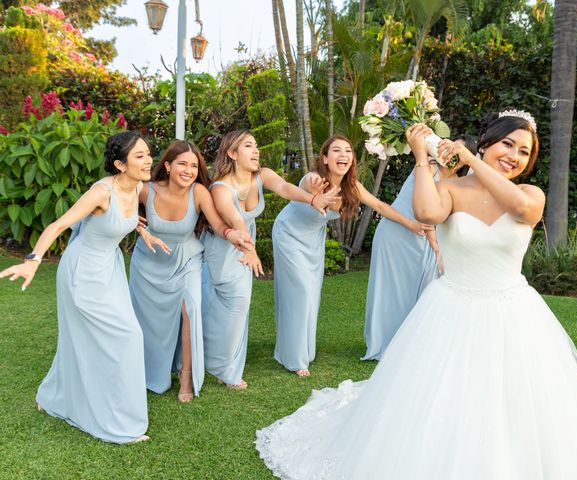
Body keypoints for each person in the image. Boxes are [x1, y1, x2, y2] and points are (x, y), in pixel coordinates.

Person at [255, 112, 577, 479]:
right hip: (452, 307)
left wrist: (471, 158)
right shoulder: (451, 189)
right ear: (488, 141)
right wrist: (421, 158)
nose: (514, 155)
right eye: (507, 144)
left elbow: (524, 212)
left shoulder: (528, 194)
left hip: (514, 312)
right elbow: (426, 211)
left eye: (524, 151)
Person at [0, 131, 168, 443]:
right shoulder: (102, 192)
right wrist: (32, 260)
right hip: (83, 273)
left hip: (110, 270)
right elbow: (59, 225)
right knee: (126, 337)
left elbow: (124, 220)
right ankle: (119, 422)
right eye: (140, 156)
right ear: (120, 164)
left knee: (107, 337)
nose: (148, 161)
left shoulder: (140, 187)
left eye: (148, 153)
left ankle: (54, 397)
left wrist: (143, 232)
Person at [273, 135, 432, 377]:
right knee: (300, 291)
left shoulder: (353, 187)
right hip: (288, 234)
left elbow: (380, 206)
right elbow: (304, 188)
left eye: (348, 151)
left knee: (310, 294)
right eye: (336, 151)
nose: (344, 155)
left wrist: (411, 224)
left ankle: (303, 348)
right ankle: (294, 358)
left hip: (313, 241)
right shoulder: (314, 179)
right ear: (325, 159)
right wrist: (315, 194)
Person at [201, 129, 338, 390]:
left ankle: (224, 366)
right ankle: (219, 363)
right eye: (248, 146)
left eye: (256, 145)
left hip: (244, 243)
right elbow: (235, 219)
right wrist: (249, 250)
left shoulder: (261, 175)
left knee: (240, 305)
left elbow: (285, 188)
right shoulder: (220, 187)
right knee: (227, 305)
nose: (256, 151)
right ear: (232, 153)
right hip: (224, 248)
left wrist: (313, 199)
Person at [129, 140, 253, 403]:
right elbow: (118, 204)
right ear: (167, 165)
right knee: (148, 321)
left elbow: (218, 224)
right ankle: (144, 369)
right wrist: (138, 227)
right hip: (148, 264)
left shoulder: (198, 192)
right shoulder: (146, 190)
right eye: (182, 164)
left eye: (194, 165)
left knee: (190, 310)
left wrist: (233, 235)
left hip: (187, 261)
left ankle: (187, 375)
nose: (189, 170)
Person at [362, 134, 477, 361]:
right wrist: (435, 245)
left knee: (421, 291)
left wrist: (439, 246)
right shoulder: (428, 166)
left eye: (457, 151)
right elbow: (423, 212)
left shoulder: (455, 183)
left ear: (466, 158)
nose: (450, 154)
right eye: (449, 147)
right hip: (396, 235)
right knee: (390, 291)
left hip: (423, 240)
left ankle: (411, 344)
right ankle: (383, 342)